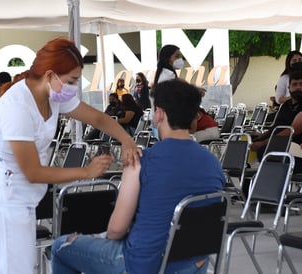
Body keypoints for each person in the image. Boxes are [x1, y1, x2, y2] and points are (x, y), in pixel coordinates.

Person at [0, 37, 140, 274]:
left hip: (22, 196)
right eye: (72, 80)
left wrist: (127, 140)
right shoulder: (17, 108)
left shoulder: (54, 94)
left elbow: (99, 118)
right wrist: (86, 172)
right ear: (50, 75)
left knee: (21, 267)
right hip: (3, 197)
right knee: (15, 270)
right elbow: (33, 172)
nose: (74, 87)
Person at [51, 79, 225, 274]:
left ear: (159, 114)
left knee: (61, 247)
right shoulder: (213, 163)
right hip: (193, 265)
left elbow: (116, 230)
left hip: (143, 264)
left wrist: (100, 237)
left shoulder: (141, 161)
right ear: (194, 117)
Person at [251, 71, 302, 173]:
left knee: (264, 150)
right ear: (289, 88)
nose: (298, 87)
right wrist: (260, 136)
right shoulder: (286, 105)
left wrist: (263, 143)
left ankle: (275, 185)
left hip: (299, 152)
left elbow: (291, 132)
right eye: (295, 84)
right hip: (283, 147)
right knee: (245, 142)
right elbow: (277, 127)